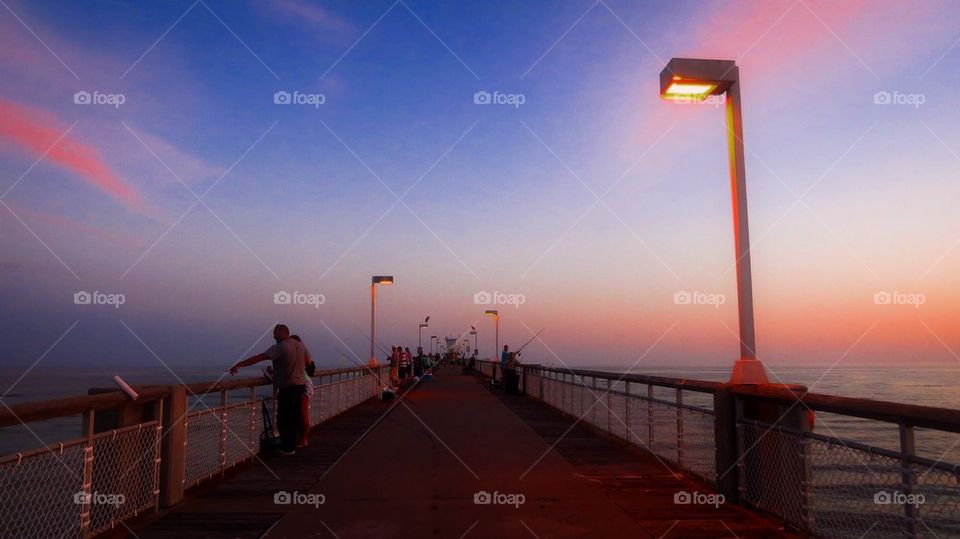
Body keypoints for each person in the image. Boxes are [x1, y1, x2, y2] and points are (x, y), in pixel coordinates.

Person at [229, 324, 310, 455]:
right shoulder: (299, 345)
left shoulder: (280, 347)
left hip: (288, 387)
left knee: (283, 418)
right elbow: (307, 361)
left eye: (275, 334)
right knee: (294, 417)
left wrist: (239, 364)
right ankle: (292, 443)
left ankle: (288, 448)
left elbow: (259, 357)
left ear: (280, 334)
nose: (273, 336)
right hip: (301, 386)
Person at [290, 335, 314, 448]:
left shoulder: (302, 352)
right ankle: (300, 438)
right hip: (300, 382)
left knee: (302, 413)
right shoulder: (303, 352)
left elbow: (309, 367)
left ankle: (304, 439)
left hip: (304, 383)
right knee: (298, 413)